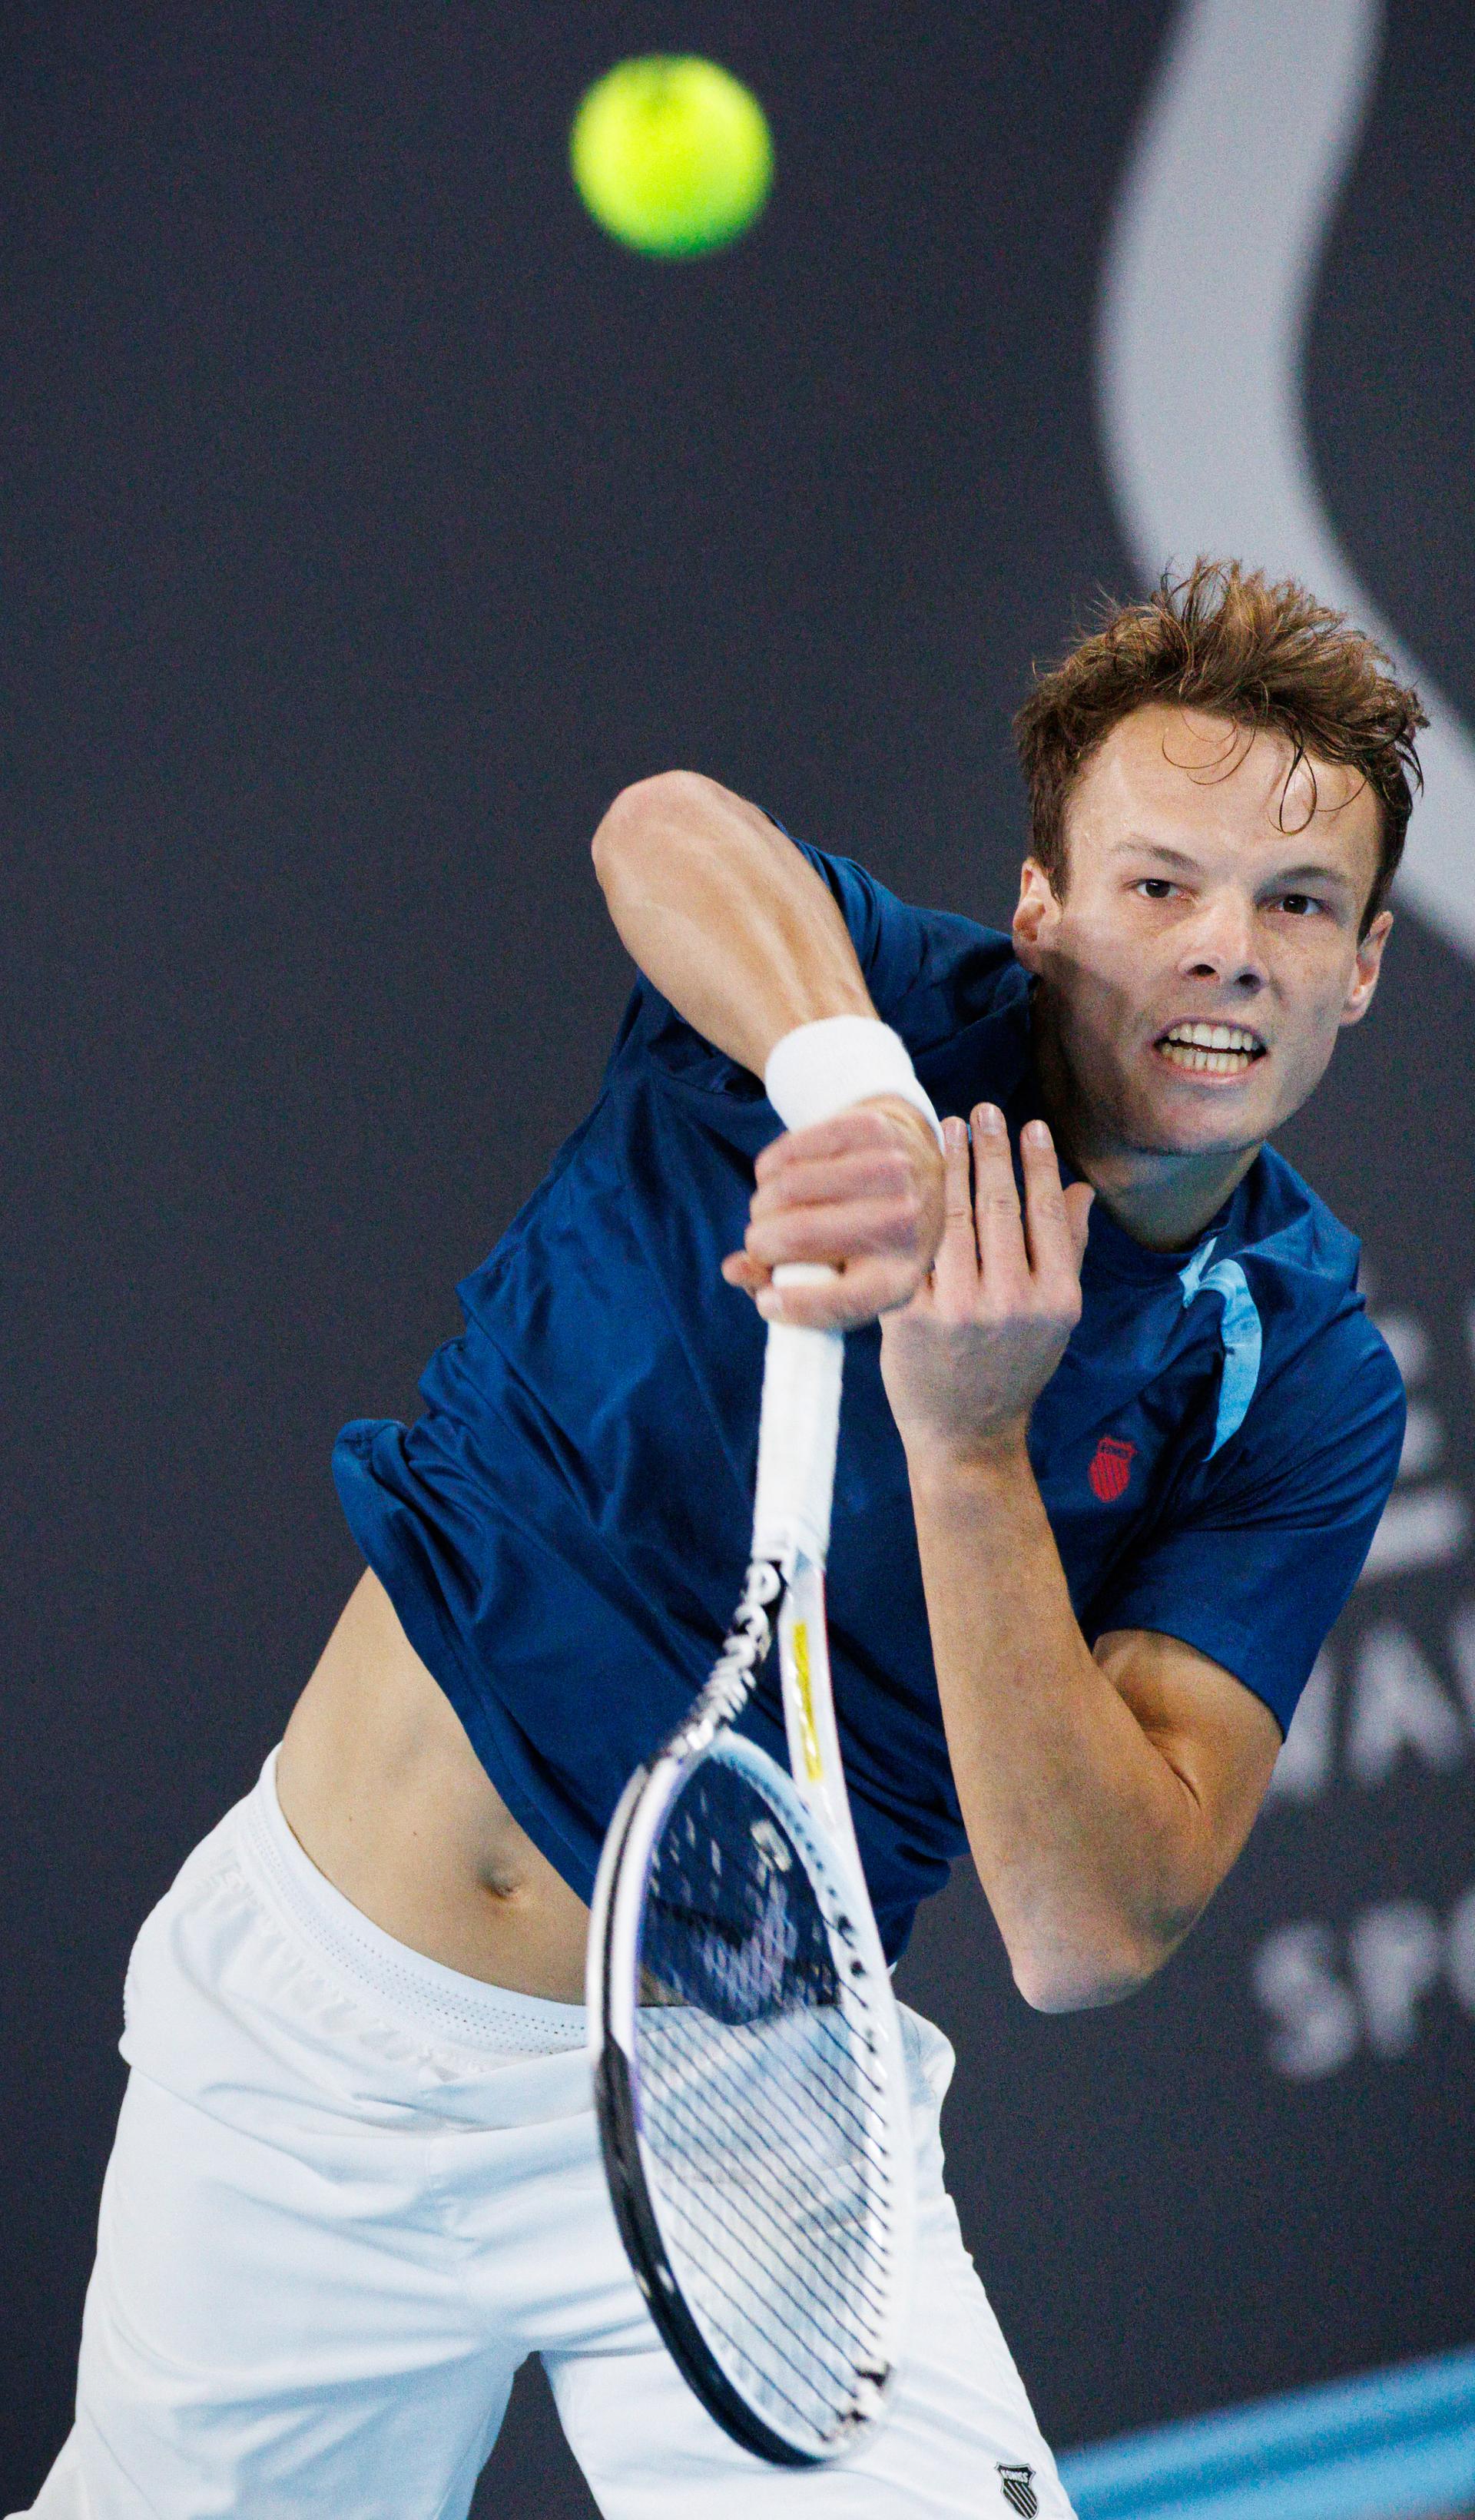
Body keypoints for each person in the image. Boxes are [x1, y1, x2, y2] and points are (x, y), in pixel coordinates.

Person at [18, 562, 1424, 2520]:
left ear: (1363, 965)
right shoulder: (865, 993)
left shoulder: (1305, 1369)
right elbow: (661, 827)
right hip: (314, 2048)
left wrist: (968, 1445)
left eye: (1298, 907)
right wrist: (839, 1077)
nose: (1228, 951)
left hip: (756, 2107)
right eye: (1160, 883)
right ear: (1040, 910)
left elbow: (1090, 1933)